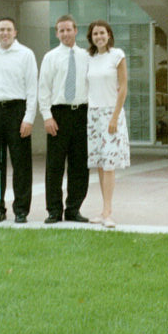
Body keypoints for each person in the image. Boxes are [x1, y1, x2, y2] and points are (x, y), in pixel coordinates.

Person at [0, 17, 38, 223]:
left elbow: (32, 88)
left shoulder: (26, 54)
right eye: (1, 30)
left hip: (18, 111)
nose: (5, 33)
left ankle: (21, 210)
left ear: (15, 32)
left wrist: (29, 118)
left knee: (21, 163)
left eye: (9, 29)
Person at [38, 14, 89, 223]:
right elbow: (44, 89)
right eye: (61, 30)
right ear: (56, 33)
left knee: (79, 164)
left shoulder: (87, 56)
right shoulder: (50, 57)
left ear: (76, 31)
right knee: (55, 165)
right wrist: (47, 116)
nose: (65, 33)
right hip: (58, 114)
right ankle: (54, 210)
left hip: (81, 114)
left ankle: (73, 209)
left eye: (69, 29)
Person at [86, 19, 130, 228]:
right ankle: (103, 210)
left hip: (111, 114)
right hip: (93, 114)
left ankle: (109, 212)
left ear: (109, 35)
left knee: (110, 164)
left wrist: (114, 117)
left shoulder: (117, 55)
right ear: (91, 37)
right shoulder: (89, 58)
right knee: (100, 164)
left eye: (102, 33)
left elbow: (123, 87)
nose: (99, 37)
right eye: (95, 34)